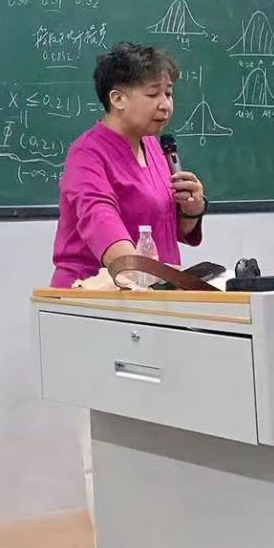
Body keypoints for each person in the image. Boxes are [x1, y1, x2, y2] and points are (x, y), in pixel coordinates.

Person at [50, 41, 208, 523]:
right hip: (98, 306)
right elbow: (102, 222)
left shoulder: (156, 150)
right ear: (117, 98)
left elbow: (162, 231)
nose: (166, 105)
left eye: (169, 93)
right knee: (107, 442)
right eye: (153, 94)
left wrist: (192, 209)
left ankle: (159, 541)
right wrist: (141, 275)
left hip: (153, 305)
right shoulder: (88, 154)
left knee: (161, 434)